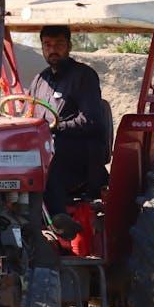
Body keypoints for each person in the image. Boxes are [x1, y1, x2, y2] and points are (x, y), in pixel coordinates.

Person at [27, 25, 107, 239]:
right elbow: (29, 115)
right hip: (46, 145)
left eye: (59, 44)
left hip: (80, 153)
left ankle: (58, 218)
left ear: (69, 46)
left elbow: (89, 120)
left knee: (50, 150)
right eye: (48, 45)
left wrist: (54, 128)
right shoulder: (39, 80)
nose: (53, 50)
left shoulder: (84, 76)